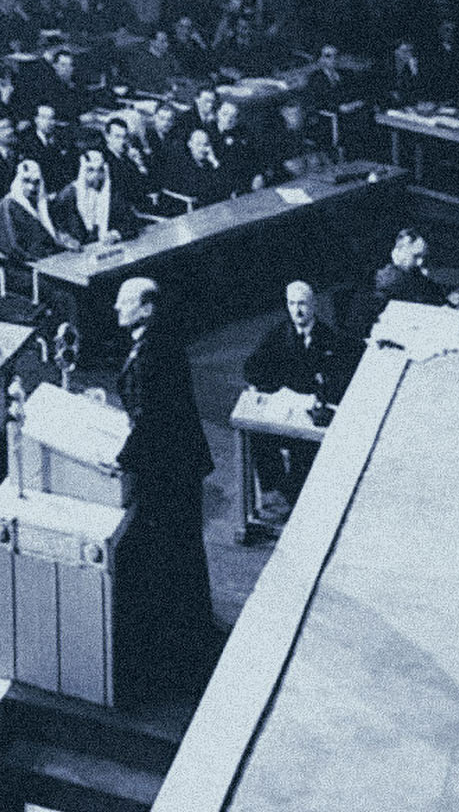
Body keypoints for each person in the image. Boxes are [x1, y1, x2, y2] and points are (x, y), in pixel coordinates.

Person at [114, 276, 223, 684]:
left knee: (169, 554)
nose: (116, 308)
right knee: (183, 550)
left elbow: (153, 419)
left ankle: (178, 653)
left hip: (167, 470)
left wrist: (119, 461)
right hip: (180, 463)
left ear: (146, 308)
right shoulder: (160, 339)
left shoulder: (152, 351)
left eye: (125, 302)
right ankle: (190, 636)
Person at [239, 281, 365, 524]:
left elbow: (341, 379)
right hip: (285, 409)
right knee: (259, 436)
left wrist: (321, 396)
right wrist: (269, 389)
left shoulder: (330, 339)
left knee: (306, 447)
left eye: (302, 304)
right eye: (292, 304)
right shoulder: (278, 335)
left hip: (312, 416)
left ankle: (291, 496)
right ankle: (273, 491)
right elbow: (253, 367)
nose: (297, 310)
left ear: (314, 305)